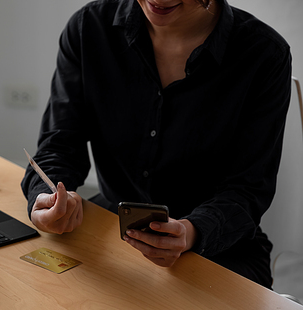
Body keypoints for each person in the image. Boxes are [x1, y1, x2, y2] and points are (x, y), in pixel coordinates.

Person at [21, 0, 292, 288]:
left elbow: (248, 188)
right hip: (114, 227)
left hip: (220, 250)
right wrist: (48, 199)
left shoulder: (264, 53)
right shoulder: (89, 28)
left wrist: (193, 231)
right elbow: (60, 144)